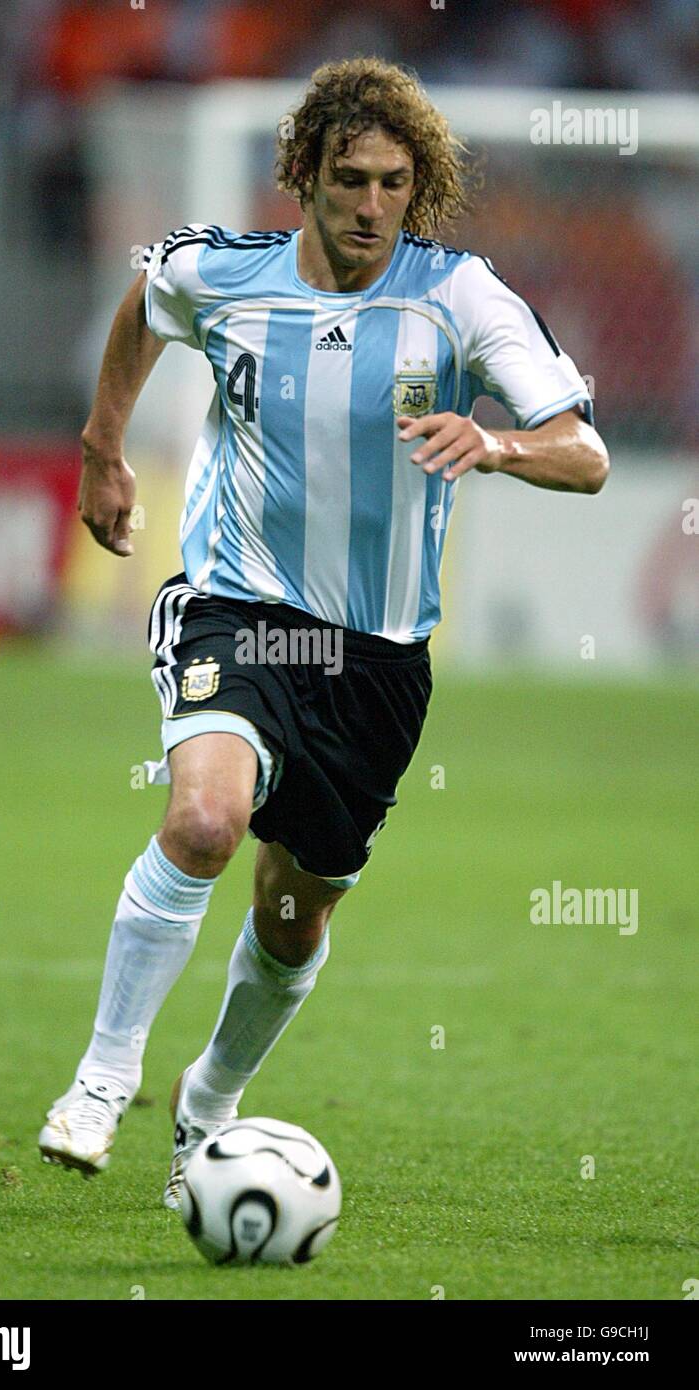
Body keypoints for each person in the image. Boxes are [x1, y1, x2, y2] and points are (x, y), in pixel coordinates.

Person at [39, 57, 608, 1206]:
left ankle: (208, 1104)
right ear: (301, 173)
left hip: (376, 660)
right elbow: (146, 301)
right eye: (347, 178)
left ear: (418, 187)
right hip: (236, 607)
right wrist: (103, 448)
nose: (368, 205)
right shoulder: (226, 274)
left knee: (291, 919)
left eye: (393, 183)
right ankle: (103, 1077)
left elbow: (584, 453)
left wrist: (496, 445)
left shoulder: (460, 298)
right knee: (203, 820)